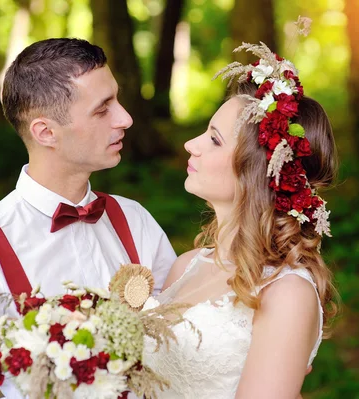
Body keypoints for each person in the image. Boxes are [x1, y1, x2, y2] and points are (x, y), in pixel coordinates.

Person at [0, 38, 176, 399]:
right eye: (103, 109)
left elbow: (178, 332)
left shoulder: (134, 220)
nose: (126, 119)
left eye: (116, 100)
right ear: (46, 132)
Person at [143, 42, 339, 398]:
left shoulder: (287, 292)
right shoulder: (185, 266)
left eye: (214, 140)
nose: (191, 144)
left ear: (256, 172)